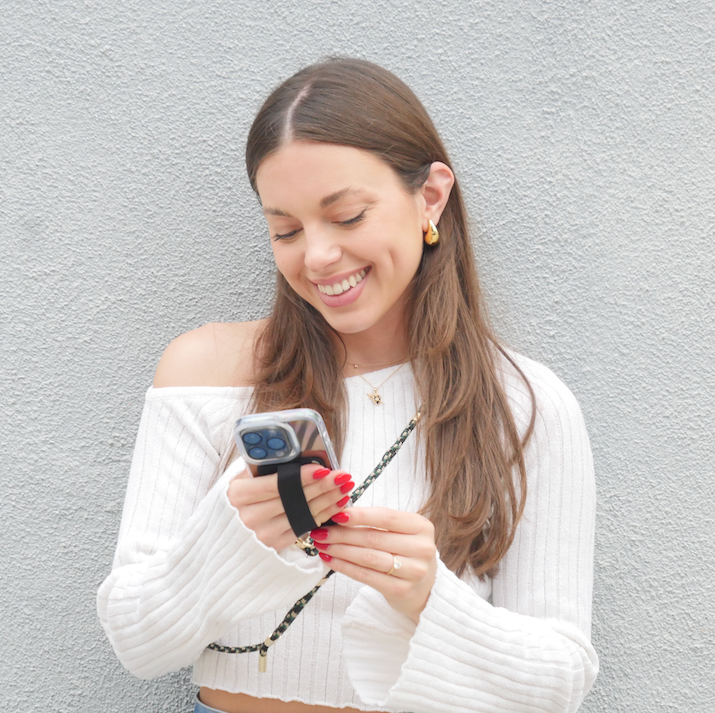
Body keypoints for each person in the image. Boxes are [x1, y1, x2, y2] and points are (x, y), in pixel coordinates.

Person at [98, 57, 598, 713]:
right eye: (285, 229)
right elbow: (137, 640)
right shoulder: (206, 369)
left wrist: (425, 595)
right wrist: (235, 532)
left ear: (430, 197)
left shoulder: (524, 403)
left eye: (348, 216)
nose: (316, 257)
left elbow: (559, 680)